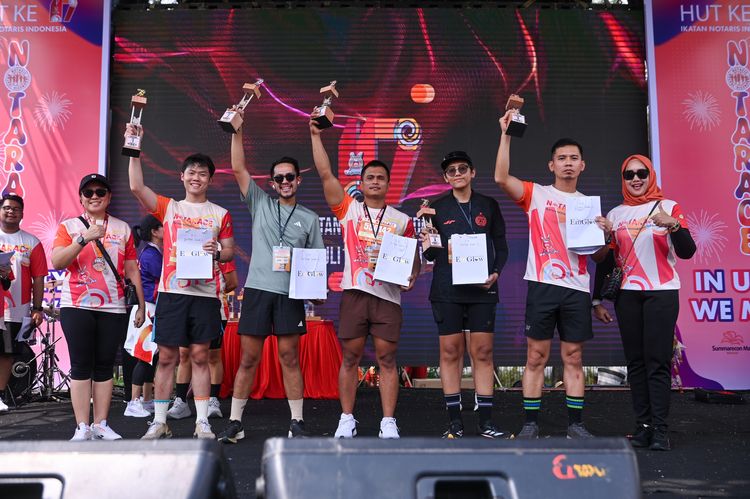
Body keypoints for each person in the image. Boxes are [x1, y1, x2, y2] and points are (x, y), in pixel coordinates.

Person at [494, 109, 606, 439]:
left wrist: (606, 234)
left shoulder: (589, 206)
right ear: (551, 165)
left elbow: (599, 257)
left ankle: (576, 425)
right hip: (543, 285)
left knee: (573, 357)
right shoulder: (537, 194)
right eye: (562, 158)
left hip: (577, 289)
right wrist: (506, 134)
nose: (568, 163)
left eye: (574, 158)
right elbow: (501, 178)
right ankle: (530, 424)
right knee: (535, 357)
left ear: (582, 165)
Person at [216, 107, 324, 444]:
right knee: (249, 358)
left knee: (289, 358)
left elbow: (315, 261)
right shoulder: (260, 203)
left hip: (290, 295)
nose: (285, 182)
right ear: (272, 183)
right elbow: (238, 168)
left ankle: (297, 422)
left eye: (290, 177)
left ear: (298, 180)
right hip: (259, 290)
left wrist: (316, 289)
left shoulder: (310, 218)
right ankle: (235, 422)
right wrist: (237, 131)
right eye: (279, 178)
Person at [310, 119, 419, 439]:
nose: (375, 181)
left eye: (380, 178)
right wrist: (315, 135)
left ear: (388, 184)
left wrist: (412, 276)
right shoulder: (349, 210)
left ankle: (388, 421)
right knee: (350, 358)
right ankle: (346, 418)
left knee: (387, 359)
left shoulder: (402, 220)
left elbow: (412, 259)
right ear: (361, 182)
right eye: (369, 177)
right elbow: (326, 174)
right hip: (355, 293)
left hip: (388, 297)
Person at [127, 124, 235, 440]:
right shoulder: (169, 207)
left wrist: (218, 252)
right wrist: (134, 145)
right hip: (172, 293)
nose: (196, 177)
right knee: (167, 357)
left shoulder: (220, 214)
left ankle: (202, 421)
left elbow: (229, 251)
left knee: (200, 356)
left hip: (205, 295)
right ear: (182, 177)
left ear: (210, 179)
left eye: (202, 173)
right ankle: (160, 421)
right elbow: (136, 186)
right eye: (191, 172)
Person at [592, 154, 695, 451]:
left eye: (641, 173)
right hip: (627, 295)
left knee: (657, 361)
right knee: (635, 362)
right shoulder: (616, 213)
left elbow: (687, 251)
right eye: (629, 175)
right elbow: (606, 261)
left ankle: (660, 430)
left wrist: (674, 225)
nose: (636, 179)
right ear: (623, 179)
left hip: (661, 292)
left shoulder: (669, 207)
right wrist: (596, 299)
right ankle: (643, 426)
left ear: (651, 175)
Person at [421, 151, 510, 439]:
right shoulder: (435, 209)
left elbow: (502, 246)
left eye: (462, 168)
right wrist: (427, 241)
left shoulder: (489, 205)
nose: (457, 173)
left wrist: (495, 272)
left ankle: (485, 421)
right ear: (445, 177)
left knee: (482, 352)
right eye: (451, 170)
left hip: (482, 289)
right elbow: (431, 256)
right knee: (450, 352)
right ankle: (455, 422)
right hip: (447, 290)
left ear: (472, 172)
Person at [51, 174, 146, 440]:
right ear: (81, 198)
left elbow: (131, 269)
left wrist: (140, 305)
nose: (95, 196)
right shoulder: (69, 227)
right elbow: (58, 262)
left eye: (100, 192)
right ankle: (82, 426)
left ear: (109, 197)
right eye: (89, 192)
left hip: (113, 306)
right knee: (81, 365)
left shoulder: (122, 228)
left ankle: (101, 424)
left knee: (105, 365)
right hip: (76, 304)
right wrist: (83, 239)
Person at [168, 261, 237, 421]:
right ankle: (181, 401)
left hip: (214, 308)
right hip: (186, 306)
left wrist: (211, 290)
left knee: (213, 356)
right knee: (184, 354)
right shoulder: (183, 249)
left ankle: (213, 400)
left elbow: (233, 282)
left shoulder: (220, 252)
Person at [0, 194, 47, 412]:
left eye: (16, 209)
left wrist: (37, 308)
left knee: (6, 353)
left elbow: (39, 278)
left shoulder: (31, 242)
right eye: (7, 207)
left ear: (22, 214)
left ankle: (0, 395)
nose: (11, 211)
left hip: (15, 310)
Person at [124, 215, 163, 418]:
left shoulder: (153, 252)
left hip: (151, 307)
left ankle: (147, 400)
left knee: (151, 356)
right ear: (155, 232)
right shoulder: (150, 254)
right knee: (144, 356)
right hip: (146, 308)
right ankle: (133, 402)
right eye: (163, 227)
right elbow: (165, 277)